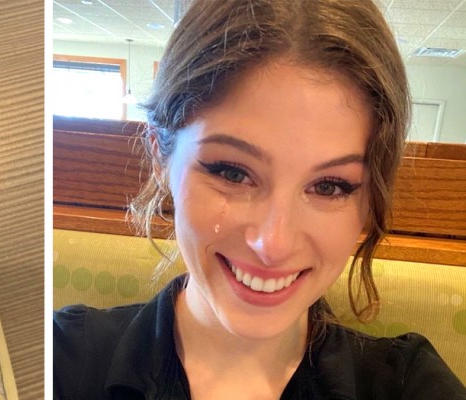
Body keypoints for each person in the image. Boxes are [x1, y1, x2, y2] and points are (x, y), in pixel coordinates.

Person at [53, 0, 466, 398]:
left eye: (329, 186)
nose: (274, 244)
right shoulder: (58, 361)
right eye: (233, 173)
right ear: (161, 156)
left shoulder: (407, 384)